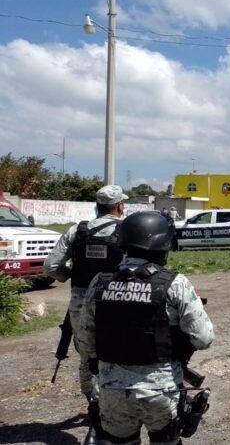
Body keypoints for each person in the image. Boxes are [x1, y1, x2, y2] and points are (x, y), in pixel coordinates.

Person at [78, 211, 214, 445]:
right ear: (162, 246)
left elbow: (85, 343)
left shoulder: (99, 282)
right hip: (160, 392)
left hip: (112, 393)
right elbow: (203, 338)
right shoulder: (175, 283)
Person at [44, 184, 128, 442]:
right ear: (119, 206)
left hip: (80, 301)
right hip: (115, 300)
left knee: (87, 357)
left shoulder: (76, 231)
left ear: (97, 206)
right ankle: (116, 409)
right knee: (118, 354)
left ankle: (94, 408)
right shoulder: (126, 230)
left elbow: (51, 266)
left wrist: (74, 277)